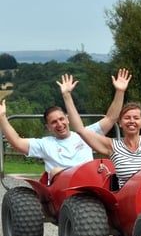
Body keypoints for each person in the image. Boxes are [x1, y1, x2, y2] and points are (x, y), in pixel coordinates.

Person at [0, 69, 131, 183]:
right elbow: (17, 142)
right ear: (48, 127)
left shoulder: (86, 134)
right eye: (54, 122)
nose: (59, 124)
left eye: (61, 119)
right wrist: (2, 118)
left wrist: (120, 91)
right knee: (55, 171)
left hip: (90, 182)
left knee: (112, 169)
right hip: (63, 189)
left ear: (67, 120)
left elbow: (111, 118)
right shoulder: (45, 144)